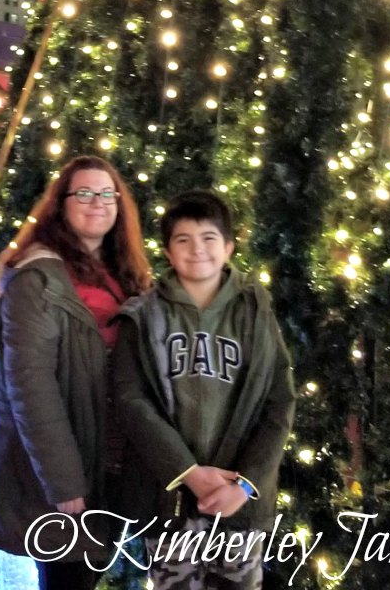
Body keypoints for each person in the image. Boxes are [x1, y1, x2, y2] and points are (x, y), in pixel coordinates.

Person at [0, 155, 152, 590]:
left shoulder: (122, 273)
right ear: (62, 204)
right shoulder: (35, 278)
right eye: (85, 193)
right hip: (63, 462)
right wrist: (63, 478)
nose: (98, 202)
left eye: (108, 194)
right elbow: (30, 385)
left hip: (107, 451)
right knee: (68, 578)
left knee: (88, 572)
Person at [113, 189, 296, 590]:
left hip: (239, 502)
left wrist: (246, 483)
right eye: (183, 239)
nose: (197, 250)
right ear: (167, 250)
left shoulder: (255, 312)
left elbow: (279, 403)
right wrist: (187, 472)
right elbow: (131, 401)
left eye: (209, 238)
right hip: (170, 503)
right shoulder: (141, 318)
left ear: (228, 246)